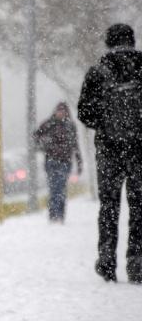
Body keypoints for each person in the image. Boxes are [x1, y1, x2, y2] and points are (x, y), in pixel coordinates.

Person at [78, 23, 142, 284]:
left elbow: (85, 112)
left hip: (109, 150)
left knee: (109, 207)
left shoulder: (98, 72)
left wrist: (106, 124)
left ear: (108, 42)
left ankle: (106, 260)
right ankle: (137, 262)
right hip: (140, 150)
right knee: (139, 207)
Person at [34, 102, 83, 223]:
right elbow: (36, 137)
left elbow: (75, 145)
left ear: (66, 113)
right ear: (55, 112)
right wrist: (44, 145)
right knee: (54, 188)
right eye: (59, 111)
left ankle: (59, 215)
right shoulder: (48, 124)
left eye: (63, 111)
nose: (60, 113)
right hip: (51, 160)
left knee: (60, 188)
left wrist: (79, 162)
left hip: (65, 161)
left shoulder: (70, 126)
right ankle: (54, 215)